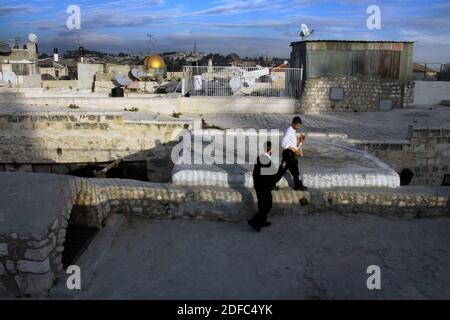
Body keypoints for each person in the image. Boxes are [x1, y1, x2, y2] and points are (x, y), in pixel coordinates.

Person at [248, 141, 286, 232]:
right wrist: (282, 168)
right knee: (266, 206)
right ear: (270, 149)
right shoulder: (265, 161)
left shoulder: (261, 158)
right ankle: (254, 222)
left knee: (264, 206)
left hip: (261, 186)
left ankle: (262, 221)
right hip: (263, 187)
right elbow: (273, 178)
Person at [280, 116, 308, 191]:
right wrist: (292, 148)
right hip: (288, 154)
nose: (298, 127)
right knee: (294, 171)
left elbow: (294, 145)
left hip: (290, 154)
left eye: (299, 126)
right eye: (297, 125)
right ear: (293, 123)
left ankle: (298, 186)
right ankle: (298, 186)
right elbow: (283, 143)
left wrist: (300, 140)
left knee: (283, 171)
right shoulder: (289, 131)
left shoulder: (292, 131)